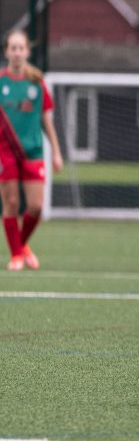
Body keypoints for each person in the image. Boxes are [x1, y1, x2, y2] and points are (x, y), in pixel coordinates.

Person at [0, 30, 63, 271]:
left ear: (27, 51)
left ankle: (21, 246)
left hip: (33, 151)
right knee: (12, 203)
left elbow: (46, 121)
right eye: (12, 48)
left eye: (20, 48)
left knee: (36, 207)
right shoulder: (0, 83)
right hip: (5, 153)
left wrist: (56, 152)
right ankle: (16, 255)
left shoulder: (37, 83)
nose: (16, 53)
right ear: (6, 52)